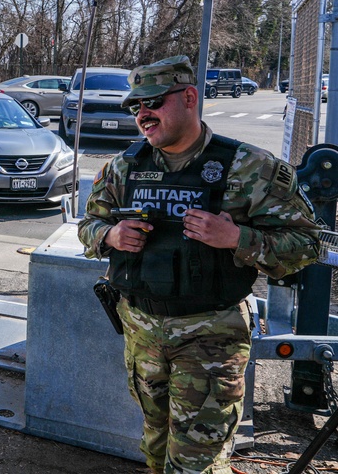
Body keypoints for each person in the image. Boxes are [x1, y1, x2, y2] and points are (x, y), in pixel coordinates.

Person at [77, 55, 320, 474]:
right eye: (136, 107)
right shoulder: (125, 167)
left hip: (211, 337)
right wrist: (109, 236)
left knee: (196, 463)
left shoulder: (247, 167)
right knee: (155, 445)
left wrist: (237, 238)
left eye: (153, 102)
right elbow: (89, 224)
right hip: (143, 334)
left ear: (189, 97)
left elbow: (307, 243)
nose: (143, 115)